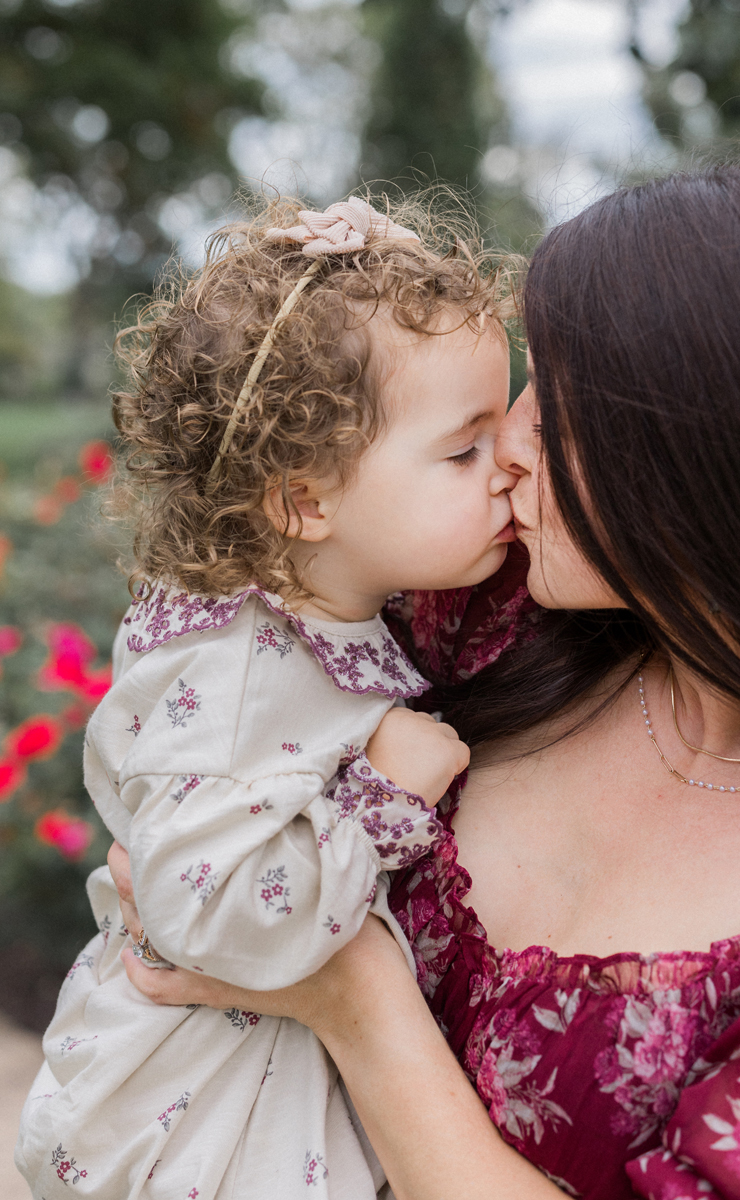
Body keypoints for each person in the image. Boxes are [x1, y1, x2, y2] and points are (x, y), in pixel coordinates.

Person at [111, 154, 740, 1199]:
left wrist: (352, 998)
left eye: (564, 402)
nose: (512, 445)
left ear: (720, 458)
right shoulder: (494, 615)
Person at [16, 195, 520, 1200]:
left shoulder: (321, 608)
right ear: (305, 499)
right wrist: (382, 797)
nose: (508, 465)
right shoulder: (242, 671)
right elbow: (207, 910)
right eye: (465, 449)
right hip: (204, 1120)